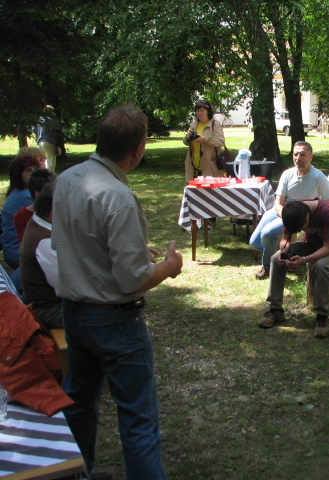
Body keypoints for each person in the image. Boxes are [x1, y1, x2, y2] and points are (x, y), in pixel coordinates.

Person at [51, 104, 183, 479]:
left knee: (78, 402)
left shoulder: (67, 179)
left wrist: (133, 250)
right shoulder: (117, 196)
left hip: (74, 313)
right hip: (114, 321)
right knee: (138, 418)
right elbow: (133, 280)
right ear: (138, 150)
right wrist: (170, 267)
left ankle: (75, 474)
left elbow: (71, 241)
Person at [257, 199, 329, 338]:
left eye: (301, 227)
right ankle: (275, 310)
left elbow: (327, 248)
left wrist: (304, 259)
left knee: (320, 265)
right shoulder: (292, 211)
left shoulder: (326, 211)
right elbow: (285, 239)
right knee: (276, 259)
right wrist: (284, 252)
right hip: (311, 243)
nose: (300, 230)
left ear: (307, 216)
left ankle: (322, 316)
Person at [249, 141, 329, 280]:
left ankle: (268, 267)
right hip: (281, 211)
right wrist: (285, 216)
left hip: (299, 215)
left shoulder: (319, 178)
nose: (298, 158)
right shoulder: (287, 174)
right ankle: (284, 255)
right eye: (295, 154)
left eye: (303, 154)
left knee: (268, 234)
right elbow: (278, 203)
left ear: (311, 156)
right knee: (254, 242)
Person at [19, 184, 63, 329]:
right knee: (111, 313)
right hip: (49, 309)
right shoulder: (44, 240)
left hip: (54, 303)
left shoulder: (39, 221)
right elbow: (66, 286)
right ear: (53, 213)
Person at [1, 154, 41, 271]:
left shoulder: (20, 192)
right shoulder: (25, 197)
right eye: (28, 170)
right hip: (17, 252)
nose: (33, 173)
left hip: (15, 249)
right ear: (18, 174)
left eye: (35, 168)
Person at [183, 100, 225, 181]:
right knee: (193, 188)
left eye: (202, 110)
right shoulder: (194, 124)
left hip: (209, 166)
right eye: (197, 111)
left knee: (209, 188)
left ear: (208, 111)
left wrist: (205, 139)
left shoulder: (215, 124)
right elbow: (186, 142)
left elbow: (221, 142)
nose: (199, 113)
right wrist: (188, 136)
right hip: (193, 166)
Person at [13, 168, 56, 243]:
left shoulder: (62, 210)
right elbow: (26, 244)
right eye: (50, 191)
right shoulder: (21, 216)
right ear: (37, 194)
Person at [35, 105, 63, 172]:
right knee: (51, 161)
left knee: (43, 160)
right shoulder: (51, 120)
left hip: (40, 142)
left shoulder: (39, 120)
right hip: (48, 141)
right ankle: (49, 175)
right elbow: (58, 128)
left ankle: (43, 173)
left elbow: (34, 130)